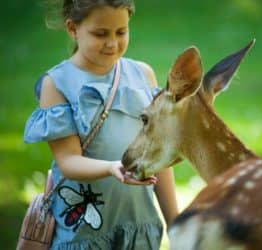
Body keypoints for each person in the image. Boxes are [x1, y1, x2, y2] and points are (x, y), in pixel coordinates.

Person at [23, 0, 179, 249]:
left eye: (121, 32)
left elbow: (157, 156)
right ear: (73, 28)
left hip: (138, 225)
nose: (112, 43)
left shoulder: (143, 75)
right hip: (84, 234)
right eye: (100, 34)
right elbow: (68, 161)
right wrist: (111, 168)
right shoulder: (57, 84)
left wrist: (174, 222)